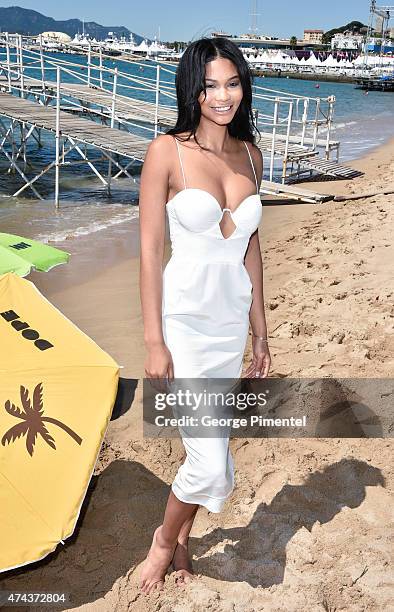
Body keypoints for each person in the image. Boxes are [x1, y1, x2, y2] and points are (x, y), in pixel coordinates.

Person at [138, 37, 271, 595]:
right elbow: (148, 251)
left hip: (229, 320)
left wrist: (261, 330)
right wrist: (154, 339)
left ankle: (182, 535)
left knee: (206, 443)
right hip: (185, 323)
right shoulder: (166, 152)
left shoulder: (253, 155)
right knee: (211, 460)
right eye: (211, 84)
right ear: (191, 88)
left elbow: (251, 246)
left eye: (233, 83)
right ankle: (164, 542)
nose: (223, 96)